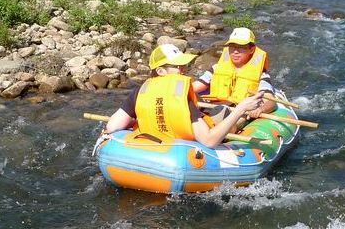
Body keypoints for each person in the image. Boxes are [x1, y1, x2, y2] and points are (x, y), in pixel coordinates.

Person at [105, 43, 265, 148]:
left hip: (157, 144)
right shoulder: (180, 95)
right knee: (228, 116)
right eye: (178, 67)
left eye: (184, 65)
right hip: (185, 150)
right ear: (160, 71)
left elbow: (112, 127)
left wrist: (138, 120)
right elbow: (209, 141)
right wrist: (242, 108)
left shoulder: (140, 91)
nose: (184, 70)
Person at [191, 27, 276, 120]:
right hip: (214, 108)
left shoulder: (261, 75)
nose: (235, 51)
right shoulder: (216, 68)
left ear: (251, 50)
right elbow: (194, 87)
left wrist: (260, 109)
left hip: (239, 113)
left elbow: (271, 101)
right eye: (232, 47)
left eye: (241, 47)